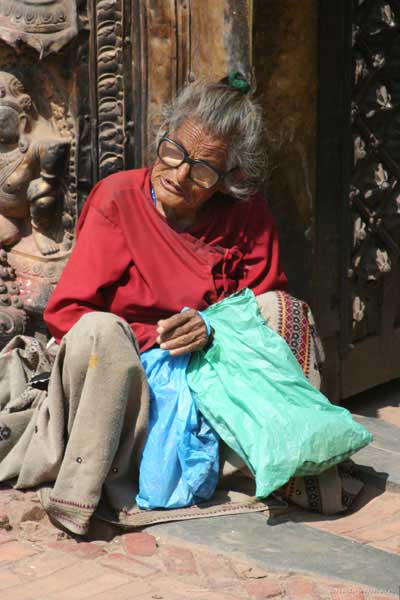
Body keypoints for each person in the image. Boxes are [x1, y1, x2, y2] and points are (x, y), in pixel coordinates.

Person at [0, 75, 360, 536]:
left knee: (283, 310)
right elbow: (68, 314)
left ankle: (283, 462)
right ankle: (84, 489)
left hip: (216, 381)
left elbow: (259, 302)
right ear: (163, 135)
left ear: (230, 179)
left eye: (204, 170)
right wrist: (156, 339)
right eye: (173, 152)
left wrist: (212, 329)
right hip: (129, 393)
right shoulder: (117, 197)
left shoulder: (246, 214)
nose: (179, 174)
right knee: (100, 332)